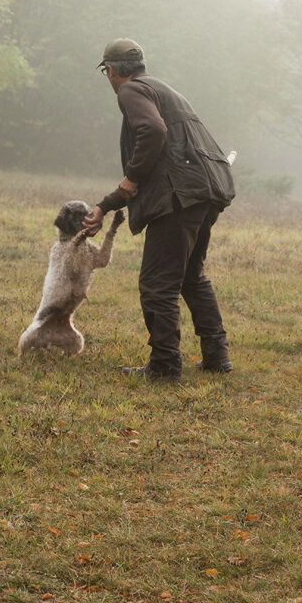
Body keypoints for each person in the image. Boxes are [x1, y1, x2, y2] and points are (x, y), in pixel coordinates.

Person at [83, 38, 236, 381]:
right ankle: (216, 356)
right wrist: (106, 206)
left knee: (158, 283)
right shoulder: (164, 89)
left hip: (180, 199)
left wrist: (131, 176)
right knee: (191, 277)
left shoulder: (131, 91)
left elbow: (152, 131)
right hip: (205, 192)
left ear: (110, 71)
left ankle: (165, 365)